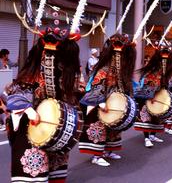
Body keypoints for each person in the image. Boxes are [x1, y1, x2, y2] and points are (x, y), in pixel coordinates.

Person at [6, 27, 84, 183]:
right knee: (34, 166)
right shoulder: (33, 69)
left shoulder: (68, 71)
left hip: (56, 120)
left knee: (56, 162)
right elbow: (14, 92)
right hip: (31, 124)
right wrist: (29, 111)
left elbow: (78, 91)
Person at [79, 33, 136, 166]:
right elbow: (96, 86)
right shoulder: (103, 69)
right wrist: (101, 102)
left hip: (114, 103)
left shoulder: (122, 69)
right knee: (99, 127)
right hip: (100, 103)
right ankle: (96, 155)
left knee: (113, 128)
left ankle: (108, 151)